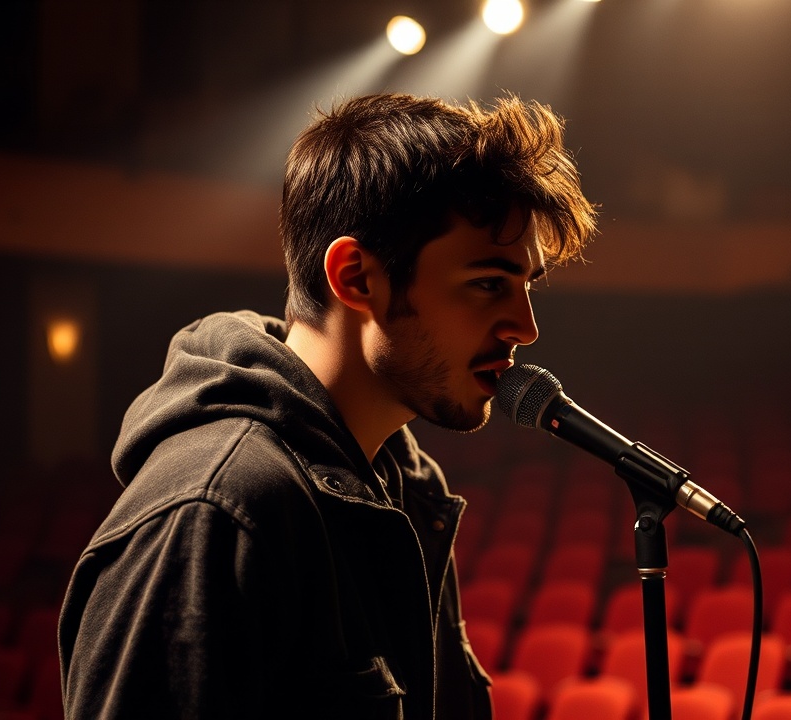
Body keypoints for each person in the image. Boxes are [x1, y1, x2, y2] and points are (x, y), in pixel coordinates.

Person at [58, 92, 598, 719]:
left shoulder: (410, 488)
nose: (525, 327)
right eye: (487, 283)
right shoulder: (217, 512)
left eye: (526, 286)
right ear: (357, 278)